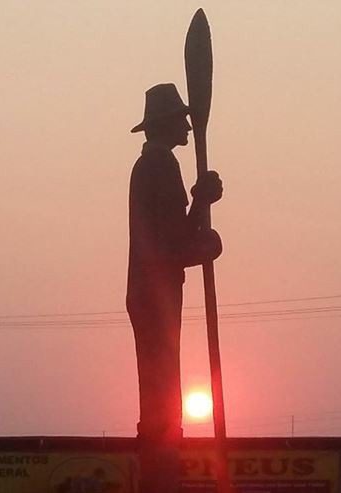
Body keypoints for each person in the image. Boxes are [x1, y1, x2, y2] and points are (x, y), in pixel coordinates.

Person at [127, 83, 223, 493]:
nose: (188, 126)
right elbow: (171, 244)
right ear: (168, 125)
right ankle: (160, 469)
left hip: (157, 292)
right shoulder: (159, 165)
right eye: (182, 119)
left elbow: (172, 237)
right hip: (155, 293)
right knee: (162, 395)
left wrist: (201, 205)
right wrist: (203, 214)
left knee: (164, 391)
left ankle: (162, 458)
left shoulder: (155, 164)